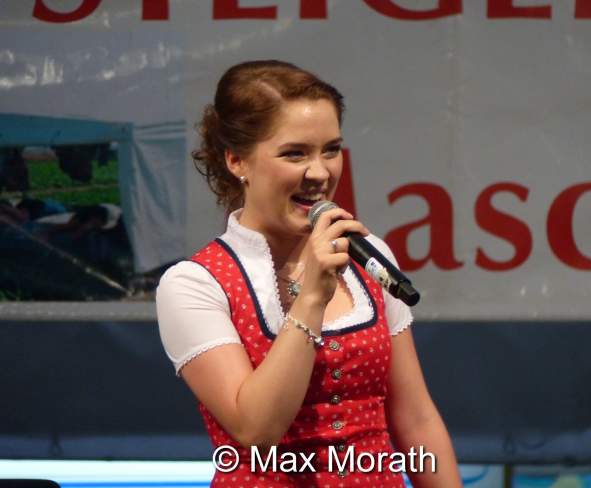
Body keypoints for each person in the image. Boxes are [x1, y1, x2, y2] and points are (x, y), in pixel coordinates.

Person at [156, 60, 462, 487]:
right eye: (295, 153)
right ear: (237, 160)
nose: (320, 173)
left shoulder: (366, 256)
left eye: (331, 150)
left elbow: (415, 418)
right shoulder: (196, 283)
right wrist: (313, 296)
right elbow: (257, 430)